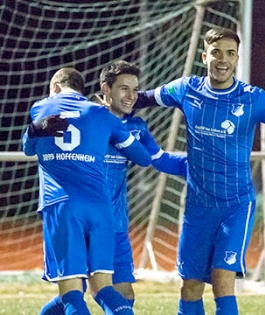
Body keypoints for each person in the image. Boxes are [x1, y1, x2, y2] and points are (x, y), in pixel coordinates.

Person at [135, 27, 265, 315]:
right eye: (216, 53)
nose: (223, 60)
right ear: (204, 56)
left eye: (230, 54)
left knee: (222, 281)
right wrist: (114, 105)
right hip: (197, 206)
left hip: (236, 206)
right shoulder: (186, 88)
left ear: (237, 58)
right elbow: (143, 98)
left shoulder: (253, 97)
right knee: (190, 286)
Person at [37, 61, 189, 314]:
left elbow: (159, 159)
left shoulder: (136, 127)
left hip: (113, 224)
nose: (132, 97)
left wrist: (198, 167)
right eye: (124, 89)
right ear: (105, 89)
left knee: (121, 292)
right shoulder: (87, 119)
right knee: (77, 293)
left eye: (135, 90)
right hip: (80, 217)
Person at [22, 68, 152, 314]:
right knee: (104, 290)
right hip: (101, 210)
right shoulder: (103, 115)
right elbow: (143, 158)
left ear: (56, 88)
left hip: (62, 206)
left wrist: (35, 129)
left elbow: (28, 148)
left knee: (72, 295)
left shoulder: (41, 108)